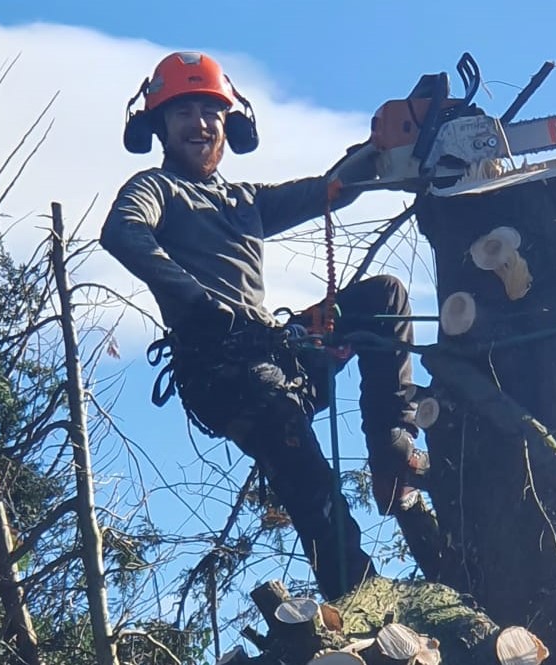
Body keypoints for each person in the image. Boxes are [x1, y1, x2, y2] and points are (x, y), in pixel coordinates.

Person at [100, 51, 432, 600]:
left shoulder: (243, 200)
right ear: (158, 124)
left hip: (277, 352)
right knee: (305, 472)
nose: (200, 124)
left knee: (385, 296)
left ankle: (393, 450)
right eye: (183, 112)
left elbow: (328, 190)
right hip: (223, 370)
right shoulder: (155, 190)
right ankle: (358, 589)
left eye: (211, 111)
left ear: (231, 123)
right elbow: (123, 232)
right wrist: (198, 301)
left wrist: (382, 153)